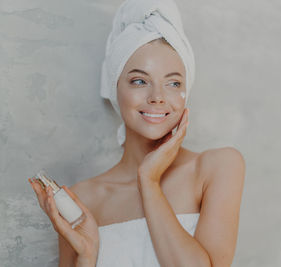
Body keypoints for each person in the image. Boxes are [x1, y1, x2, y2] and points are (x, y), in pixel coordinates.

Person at [29, 1, 245, 266]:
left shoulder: (217, 167)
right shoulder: (83, 200)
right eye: (139, 81)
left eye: (173, 82)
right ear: (115, 87)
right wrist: (86, 257)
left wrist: (149, 182)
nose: (157, 97)